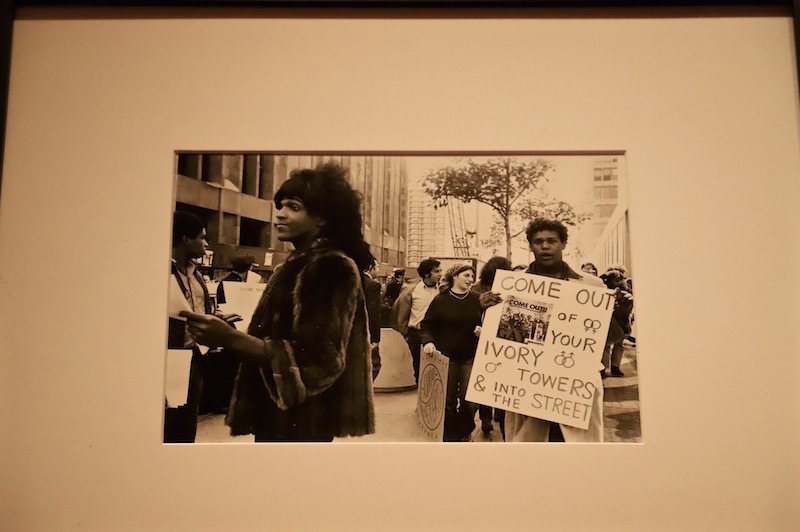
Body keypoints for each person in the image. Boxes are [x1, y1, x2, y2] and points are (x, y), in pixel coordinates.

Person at [180, 163, 375, 442]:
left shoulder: (329, 265)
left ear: (322, 218)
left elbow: (321, 362)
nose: (280, 214)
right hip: (283, 416)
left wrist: (231, 338)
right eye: (280, 206)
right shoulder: (297, 264)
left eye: (294, 207)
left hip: (303, 420)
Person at [480, 218, 606, 442]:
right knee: (530, 458)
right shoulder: (511, 287)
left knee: (575, 459)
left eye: (552, 241)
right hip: (528, 387)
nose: (545, 246)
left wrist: (619, 311)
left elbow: (607, 338)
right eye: (538, 242)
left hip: (572, 388)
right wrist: (486, 310)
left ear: (564, 244)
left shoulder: (591, 286)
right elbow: (501, 341)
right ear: (530, 246)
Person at [165, 211, 241, 443]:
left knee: (187, 424)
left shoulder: (196, 275)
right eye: (202, 237)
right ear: (186, 238)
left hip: (195, 357)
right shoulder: (162, 272)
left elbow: (201, 311)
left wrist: (217, 317)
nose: (206, 244)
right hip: (169, 358)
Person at [420, 264, 483, 442]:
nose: (471, 279)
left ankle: (465, 430)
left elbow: (490, 324)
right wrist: (428, 342)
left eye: (472, 276)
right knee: (446, 402)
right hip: (446, 359)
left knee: (470, 401)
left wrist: (483, 330)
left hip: (469, 358)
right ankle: (451, 436)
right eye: (467, 275)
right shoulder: (441, 300)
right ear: (454, 276)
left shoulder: (477, 300)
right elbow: (426, 325)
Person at [471, 256, 512, 437]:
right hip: (493, 342)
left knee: (487, 379)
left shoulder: (475, 289)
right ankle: (495, 415)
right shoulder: (480, 291)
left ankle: (487, 417)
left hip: (489, 343)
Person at [390, 258, 443, 384]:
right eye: (437, 271)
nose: (440, 274)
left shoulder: (442, 290)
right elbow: (400, 311)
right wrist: (406, 332)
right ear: (426, 274)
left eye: (441, 271)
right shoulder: (412, 290)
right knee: (419, 368)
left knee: (439, 369)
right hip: (416, 334)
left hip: (438, 334)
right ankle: (422, 398)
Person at [600, 268, 634, 378]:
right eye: (620, 277)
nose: (623, 279)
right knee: (607, 344)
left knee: (615, 344)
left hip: (621, 320)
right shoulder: (609, 291)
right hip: (612, 320)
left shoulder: (626, 291)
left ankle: (613, 367)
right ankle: (605, 368)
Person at [363, 263, 382, 381]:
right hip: (367, 332)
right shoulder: (373, 285)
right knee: (374, 365)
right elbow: (373, 312)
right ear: (370, 267)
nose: (378, 270)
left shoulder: (350, 281)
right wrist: (376, 338)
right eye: (377, 267)